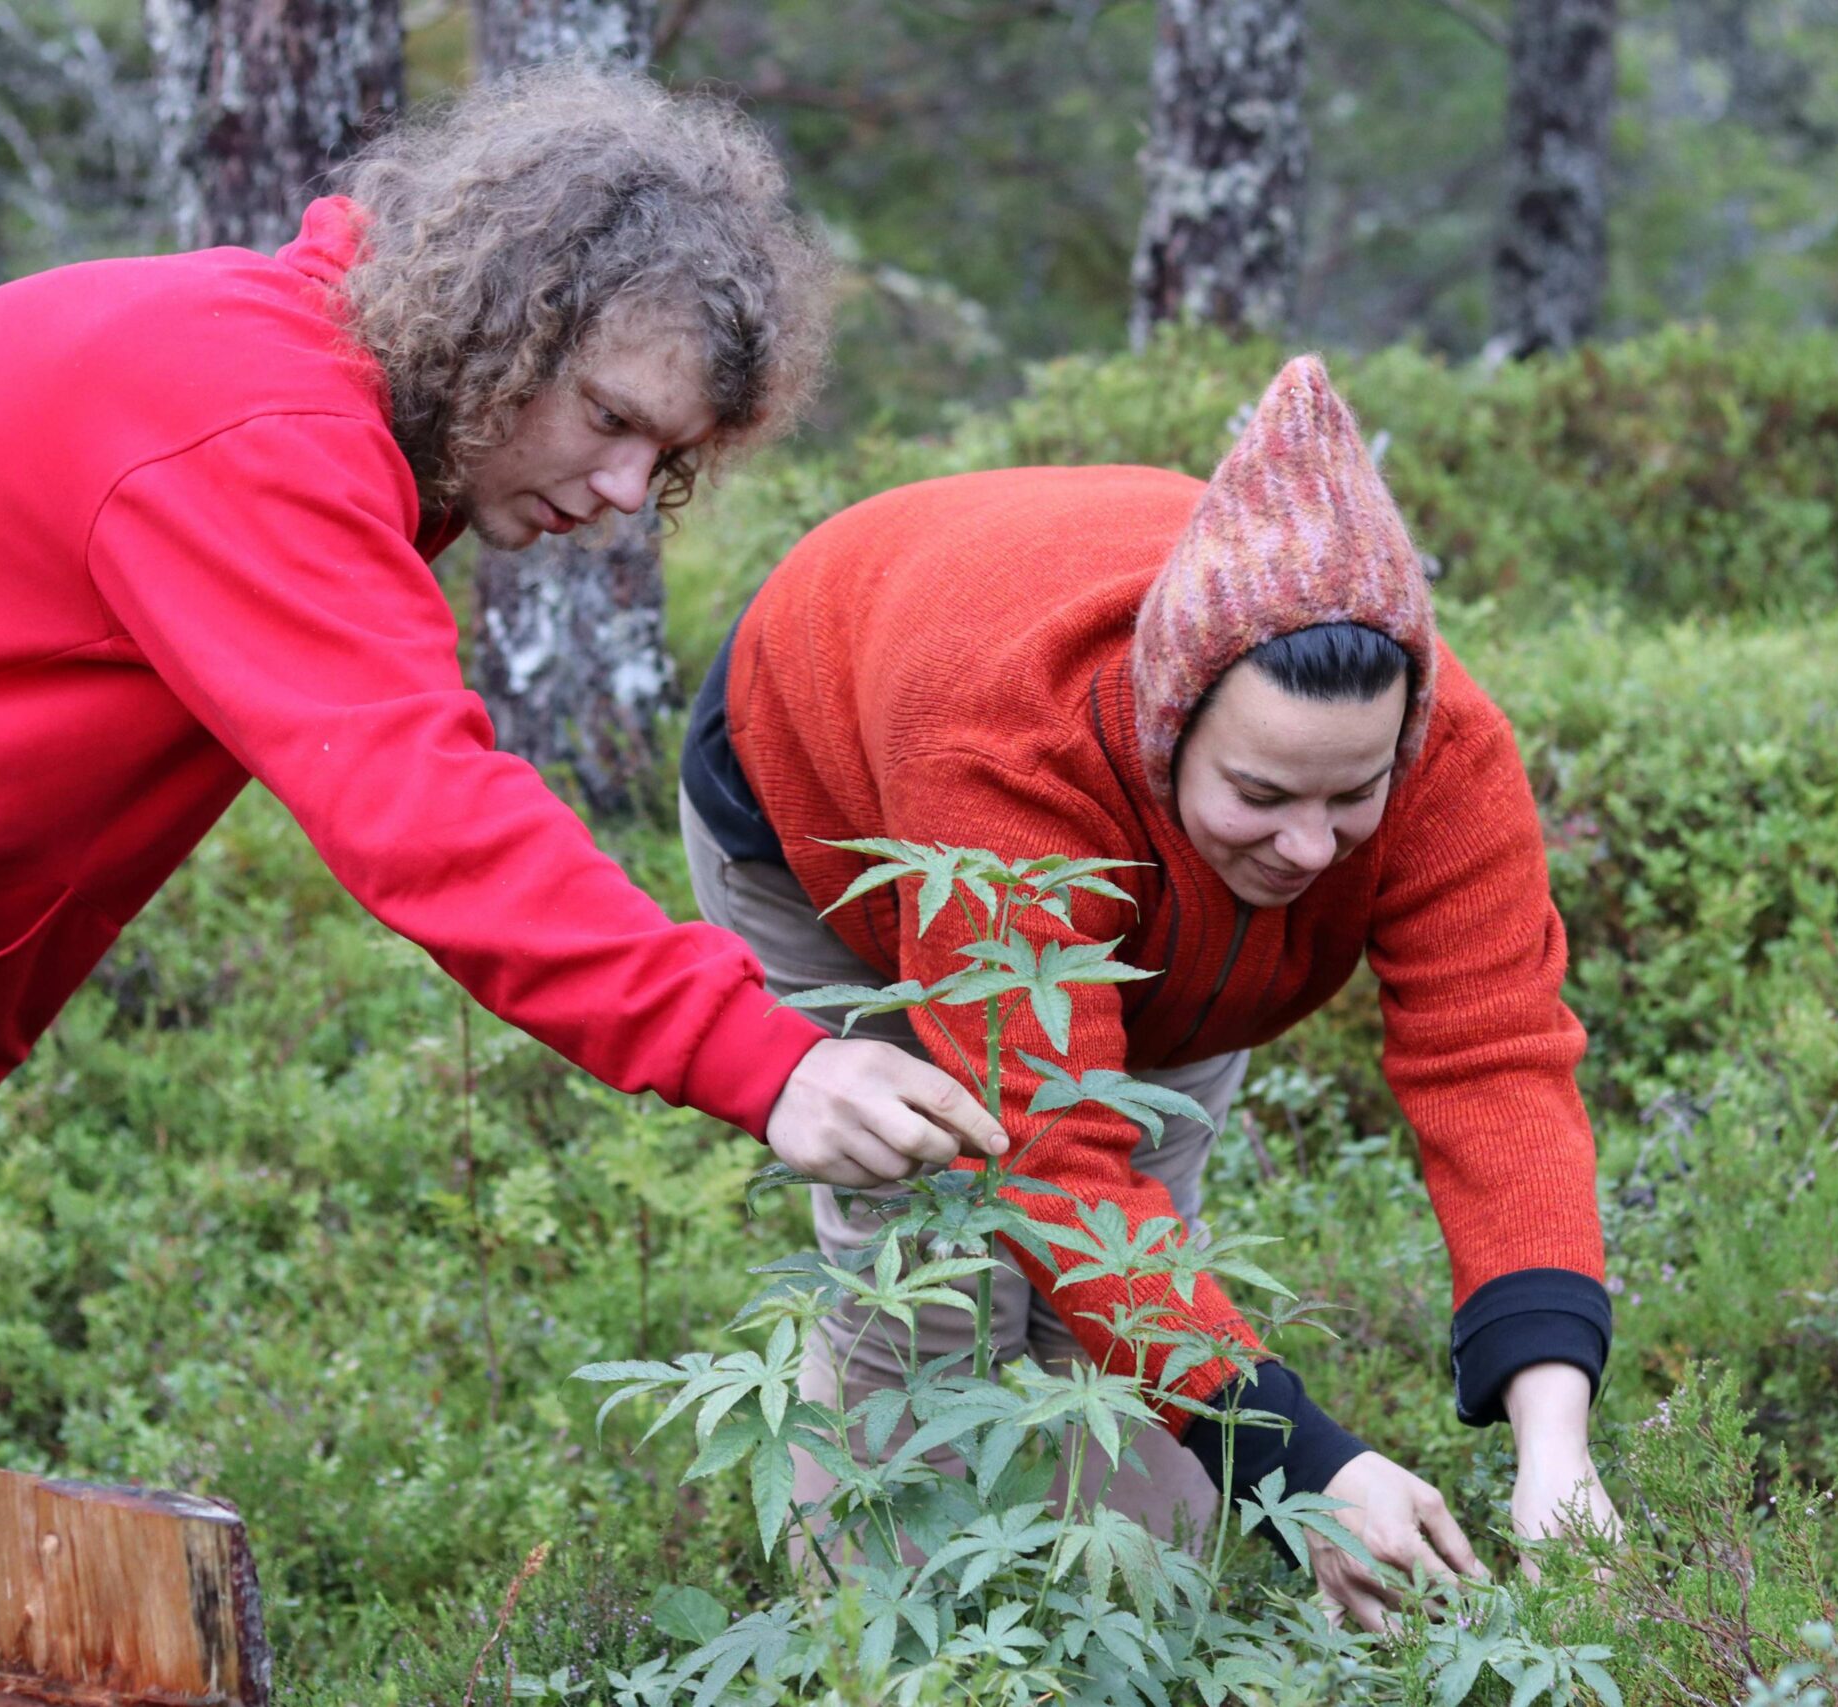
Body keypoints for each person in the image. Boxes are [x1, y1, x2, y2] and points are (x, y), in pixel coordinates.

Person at [0, 62, 1005, 1702]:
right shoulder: (256, 420)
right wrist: (768, 1055)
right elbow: (420, 806)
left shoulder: (301, 401)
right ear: (502, 320)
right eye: (610, 417)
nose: (623, 493)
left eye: (665, 458)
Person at [679, 356, 1617, 1629]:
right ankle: (890, 1648)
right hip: (825, 804)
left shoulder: (1446, 752)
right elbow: (1047, 1154)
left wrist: (1553, 1454)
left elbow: (1495, 1060)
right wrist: (1304, 1466)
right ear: (1169, 726)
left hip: (1132, 892)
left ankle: (1121, 1631)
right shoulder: (1002, 743)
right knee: (938, 1259)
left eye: (1353, 797)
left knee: (1131, 1261)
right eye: (1264, 795)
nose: (1308, 848)